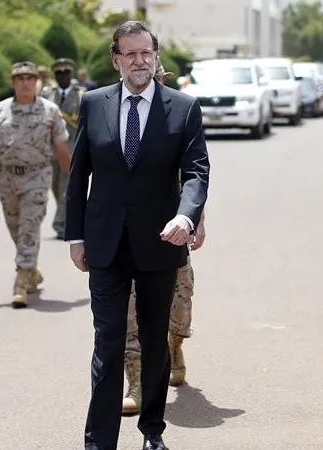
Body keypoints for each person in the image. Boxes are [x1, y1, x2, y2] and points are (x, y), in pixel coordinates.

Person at [65, 21, 209, 450]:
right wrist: (75, 236)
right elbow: (78, 176)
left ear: (156, 56)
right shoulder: (93, 104)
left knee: (152, 342)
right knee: (107, 342)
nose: (139, 61)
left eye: (146, 53)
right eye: (130, 54)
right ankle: (98, 441)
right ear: (116, 60)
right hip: (105, 244)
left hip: (161, 244)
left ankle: (152, 431)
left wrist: (187, 217)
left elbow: (197, 173)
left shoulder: (183, 107)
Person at [121, 58, 206, 415]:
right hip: (128, 231)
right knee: (129, 310)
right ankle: (137, 383)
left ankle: (175, 344)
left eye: (156, 75)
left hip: (173, 228)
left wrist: (197, 221)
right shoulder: (120, 112)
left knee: (179, 303)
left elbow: (196, 175)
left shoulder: (180, 113)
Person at [0, 62, 71, 308]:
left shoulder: (49, 111)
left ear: (37, 81)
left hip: (37, 177)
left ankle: (20, 282)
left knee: (29, 227)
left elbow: (62, 149)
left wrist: (73, 182)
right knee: (16, 229)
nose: (25, 82)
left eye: (30, 78)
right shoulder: (0, 110)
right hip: (7, 177)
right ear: (13, 82)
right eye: (20, 78)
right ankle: (32, 271)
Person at [41, 58, 85, 240]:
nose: (63, 77)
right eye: (59, 74)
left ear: (71, 74)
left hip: (71, 148)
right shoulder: (46, 94)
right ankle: (65, 219)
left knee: (66, 187)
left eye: (66, 73)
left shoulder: (81, 94)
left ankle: (61, 225)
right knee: (55, 187)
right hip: (51, 150)